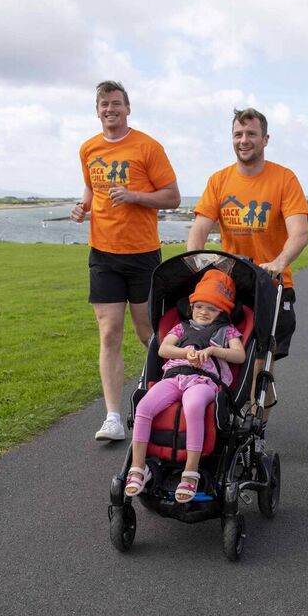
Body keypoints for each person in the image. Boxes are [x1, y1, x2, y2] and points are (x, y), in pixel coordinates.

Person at [71, 80, 181, 442]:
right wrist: (83, 206)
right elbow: (92, 189)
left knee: (147, 333)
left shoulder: (148, 147)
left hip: (143, 253)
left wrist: (134, 196)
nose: (110, 109)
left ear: (127, 108)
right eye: (103, 104)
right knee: (108, 333)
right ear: (97, 110)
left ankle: (174, 393)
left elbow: (173, 197)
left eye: (116, 103)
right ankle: (113, 417)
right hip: (103, 253)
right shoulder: (88, 149)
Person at [186, 108, 308, 415]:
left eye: (251, 134)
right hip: (231, 281)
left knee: (259, 357)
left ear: (265, 139)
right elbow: (200, 229)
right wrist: (195, 263)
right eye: (238, 135)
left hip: (271, 281)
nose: (244, 140)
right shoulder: (219, 181)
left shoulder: (284, 179)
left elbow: (299, 233)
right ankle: (220, 411)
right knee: (221, 349)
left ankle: (256, 423)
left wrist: (279, 262)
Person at [124, 269, 246, 502]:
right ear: (191, 307)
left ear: (222, 311)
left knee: (193, 407)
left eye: (211, 308)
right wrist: (185, 351)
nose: (203, 312)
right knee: (144, 406)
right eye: (199, 306)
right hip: (174, 376)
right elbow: (163, 349)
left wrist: (212, 351)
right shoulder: (181, 327)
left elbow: (239, 355)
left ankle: (190, 473)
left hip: (204, 380)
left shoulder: (226, 331)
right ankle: (138, 468)